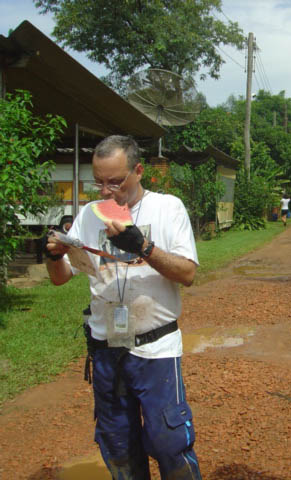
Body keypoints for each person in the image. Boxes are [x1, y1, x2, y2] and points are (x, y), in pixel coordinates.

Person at [45, 135, 202, 480]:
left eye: (115, 181)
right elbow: (61, 277)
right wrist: (53, 255)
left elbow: (187, 273)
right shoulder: (89, 215)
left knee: (168, 440)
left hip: (155, 347)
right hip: (106, 349)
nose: (105, 191)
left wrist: (142, 246)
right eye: (98, 181)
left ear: (139, 171)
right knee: (117, 444)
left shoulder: (168, 207)